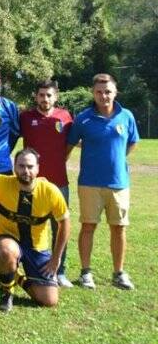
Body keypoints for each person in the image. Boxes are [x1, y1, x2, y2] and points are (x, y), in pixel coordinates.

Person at [0, 148, 70, 312]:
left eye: (30, 166)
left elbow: (64, 223)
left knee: (49, 300)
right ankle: (7, 292)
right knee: (6, 251)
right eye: (21, 166)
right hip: (9, 240)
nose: (26, 171)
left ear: (37, 168)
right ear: (14, 167)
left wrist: (56, 259)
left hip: (37, 248)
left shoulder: (50, 191)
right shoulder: (2, 183)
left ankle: (16, 277)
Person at [66, 73, 139, 290]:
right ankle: (85, 272)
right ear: (93, 93)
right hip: (89, 183)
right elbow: (69, 146)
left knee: (119, 229)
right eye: (99, 91)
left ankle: (119, 273)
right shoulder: (83, 118)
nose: (104, 95)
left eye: (108, 91)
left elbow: (132, 142)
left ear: (115, 92)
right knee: (88, 226)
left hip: (119, 184)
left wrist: (117, 160)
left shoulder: (126, 116)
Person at [19, 79, 74, 287]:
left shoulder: (65, 117)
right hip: (30, 184)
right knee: (26, 227)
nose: (45, 99)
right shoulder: (25, 118)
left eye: (49, 95)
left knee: (60, 226)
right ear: (36, 97)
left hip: (59, 182)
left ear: (56, 97)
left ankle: (60, 271)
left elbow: (70, 145)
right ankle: (25, 267)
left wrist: (59, 160)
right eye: (41, 95)